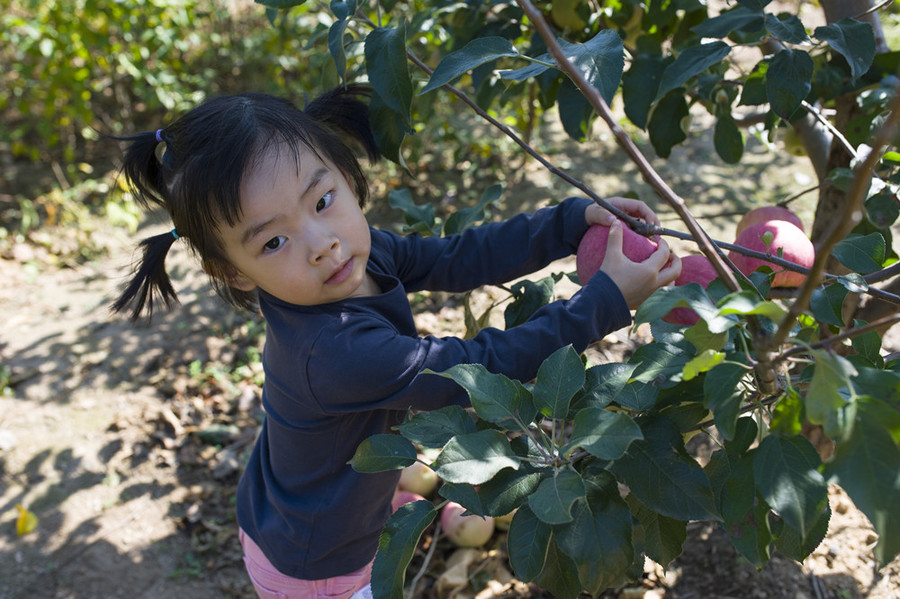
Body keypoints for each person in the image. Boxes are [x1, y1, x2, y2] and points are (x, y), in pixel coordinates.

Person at [111, 84, 681, 599]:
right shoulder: (333, 352)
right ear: (233, 272)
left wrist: (569, 221)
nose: (321, 244)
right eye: (274, 240)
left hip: (293, 504)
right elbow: (474, 367)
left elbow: (459, 256)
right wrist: (603, 301)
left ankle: (374, 498)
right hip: (320, 566)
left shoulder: (362, 257)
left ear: (346, 175)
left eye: (323, 201)